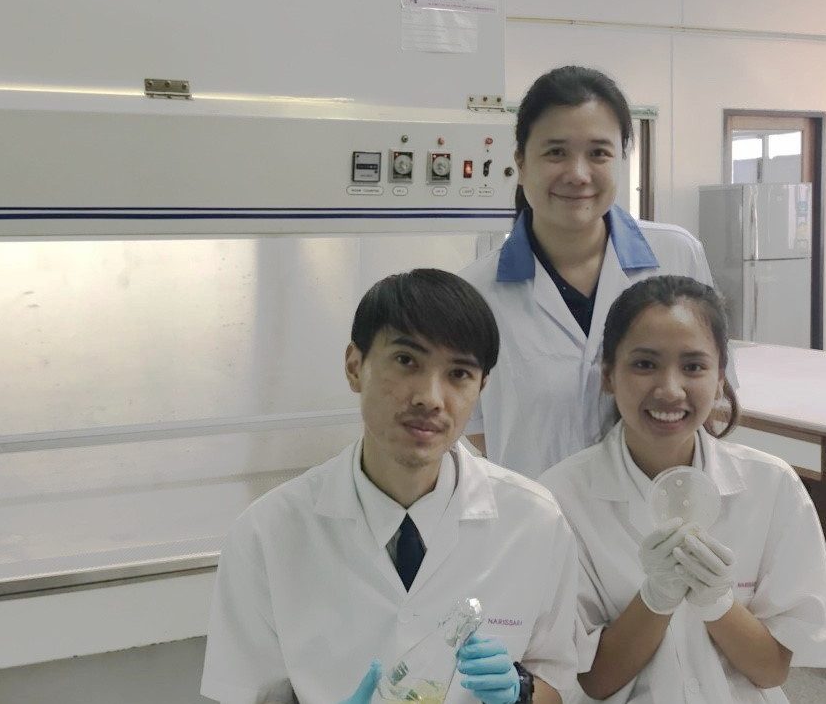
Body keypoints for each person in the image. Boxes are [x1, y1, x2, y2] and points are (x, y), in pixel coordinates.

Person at [200, 269, 581, 704]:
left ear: (481, 388)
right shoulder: (267, 534)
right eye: (406, 361)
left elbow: (559, 686)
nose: (430, 398)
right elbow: (242, 694)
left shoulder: (534, 522)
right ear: (354, 366)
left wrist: (522, 693)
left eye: (458, 373)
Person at [537, 276, 826, 704]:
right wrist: (655, 598)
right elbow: (595, 681)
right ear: (608, 375)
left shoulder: (772, 487)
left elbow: (771, 670)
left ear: (720, 379)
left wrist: (717, 603)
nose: (670, 390)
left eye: (693, 367)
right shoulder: (561, 498)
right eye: (645, 364)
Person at [460, 65, 726, 479]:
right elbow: (477, 428)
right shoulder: (476, 293)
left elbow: (708, 392)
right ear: (521, 163)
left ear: (620, 159)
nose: (578, 174)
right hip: (537, 510)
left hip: (657, 506)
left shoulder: (676, 254)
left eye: (599, 153)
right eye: (556, 152)